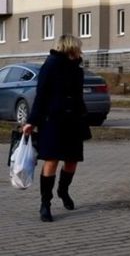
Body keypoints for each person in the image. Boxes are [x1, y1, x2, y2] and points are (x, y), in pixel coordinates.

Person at [23, 34, 91, 222]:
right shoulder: (51, 65)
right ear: (70, 47)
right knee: (51, 160)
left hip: (74, 120)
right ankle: (45, 203)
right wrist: (32, 121)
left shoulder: (78, 68)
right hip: (53, 120)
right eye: (78, 46)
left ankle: (63, 190)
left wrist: (84, 116)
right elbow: (41, 94)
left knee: (72, 160)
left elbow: (78, 96)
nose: (81, 50)